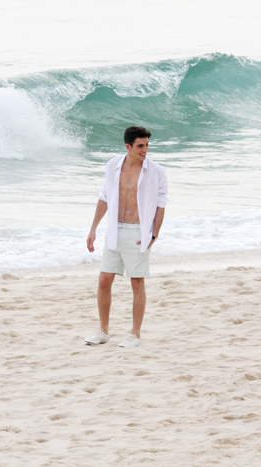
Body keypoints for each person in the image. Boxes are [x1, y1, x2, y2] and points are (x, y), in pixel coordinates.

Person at [84, 126, 168, 348]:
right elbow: (104, 197)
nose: (145, 150)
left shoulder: (156, 171)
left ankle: (135, 334)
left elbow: (161, 205)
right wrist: (93, 228)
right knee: (104, 280)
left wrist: (154, 233)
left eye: (147, 145)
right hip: (114, 229)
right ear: (128, 146)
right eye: (140, 146)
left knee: (136, 282)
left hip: (138, 231)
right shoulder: (113, 166)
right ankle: (103, 331)